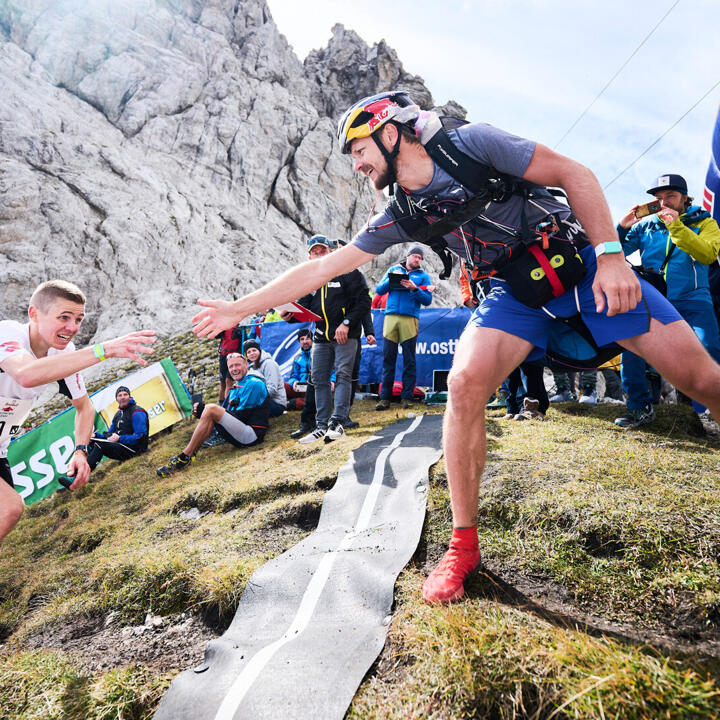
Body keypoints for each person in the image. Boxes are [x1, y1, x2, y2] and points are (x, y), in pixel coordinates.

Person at [191, 91, 720, 605]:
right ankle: (463, 546)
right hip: (515, 294)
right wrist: (239, 308)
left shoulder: (474, 143)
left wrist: (611, 258)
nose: (355, 165)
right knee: (464, 385)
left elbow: (574, 173)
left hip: (581, 265)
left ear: (391, 134)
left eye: (359, 150)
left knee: (701, 380)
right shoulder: (401, 214)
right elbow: (326, 266)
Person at [0, 280, 155, 543]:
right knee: (10, 509)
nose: (72, 328)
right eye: (64, 317)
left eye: (78, 319)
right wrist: (103, 350)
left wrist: (81, 451)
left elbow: (84, 407)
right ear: (34, 314)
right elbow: (26, 375)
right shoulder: (8, 333)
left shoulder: (65, 353)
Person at [616, 173, 720, 427]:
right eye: (658, 198)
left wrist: (676, 226)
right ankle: (639, 408)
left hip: (695, 300)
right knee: (631, 349)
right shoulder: (645, 226)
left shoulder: (706, 223)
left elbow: (707, 255)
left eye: (671, 196)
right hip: (656, 301)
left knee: (710, 350)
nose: (664, 202)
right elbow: (614, 254)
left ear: (685, 198)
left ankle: (707, 414)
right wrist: (622, 228)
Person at [283, 234, 371, 444]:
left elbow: (364, 301)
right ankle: (321, 426)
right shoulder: (311, 278)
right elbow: (304, 306)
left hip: (345, 335)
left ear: (331, 251)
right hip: (321, 337)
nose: (320, 254)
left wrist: (347, 323)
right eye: (315, 252)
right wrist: (289, 315)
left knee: (342, 375)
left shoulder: (348, 271)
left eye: (323, 250)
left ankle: (338, 423)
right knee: (318, 378)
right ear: (310, 256)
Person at [156, 353, 269, 477]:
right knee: (209, 410)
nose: (234, 369)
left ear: (246, 364)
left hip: (252, 436)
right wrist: (202, 412)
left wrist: (208, 410)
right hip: (242, 433)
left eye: (237, 365)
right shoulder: (237, 386)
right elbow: (226, 415)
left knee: (211, 409)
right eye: (231, 367)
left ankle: (184, 457)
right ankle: (189, 454)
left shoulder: (253, 383)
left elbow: (241, 417)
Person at [375, 247, 433, 410]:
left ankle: (407, 397)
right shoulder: (394, 269)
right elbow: (379, 290)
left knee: (409, 359)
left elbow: (427, 300)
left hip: (410, 318)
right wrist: (394, 280)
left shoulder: (423, 276)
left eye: (420, 258)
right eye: (415, 256)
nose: (417, 260)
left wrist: (414, 288)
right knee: (388, 358)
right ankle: (385, 398)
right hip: (391, 317)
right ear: (407, 256)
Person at [86, 386, 149, 470]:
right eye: (120, 395)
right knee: (92, 441)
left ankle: (81, 475)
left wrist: (120, 438)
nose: (122, 397)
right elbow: (109, 437)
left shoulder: (137, 412)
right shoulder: (118, 415)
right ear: (116, 399)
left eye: (125, 394)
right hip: (122, 446)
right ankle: (77, 472)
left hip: (136, 450)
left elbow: (141, 437)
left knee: (100, 445)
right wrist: (95, 436)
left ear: (129, 397)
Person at [243, 339, 287, 416]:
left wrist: (255, 398)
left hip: (276, 403)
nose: (252, 353)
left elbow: (272, 389)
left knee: (247, 409)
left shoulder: (269, 364)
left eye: (254, 350)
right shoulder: (250, 367)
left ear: (259, 351)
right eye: (249, 352)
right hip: (261, 400)